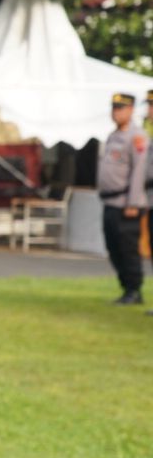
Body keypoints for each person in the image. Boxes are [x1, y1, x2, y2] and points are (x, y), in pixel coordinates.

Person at [96, 92, 147, 305]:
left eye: (120, 108)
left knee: (128, 248)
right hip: (110, 202)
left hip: (126, 203)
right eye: (114, 108)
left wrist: (133, 202)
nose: (116, 112)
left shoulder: (137, 137)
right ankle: (126, 287)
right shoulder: (112, 136)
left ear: (131, 110)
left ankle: (134, 289)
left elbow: (139, 171)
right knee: (113, 247)